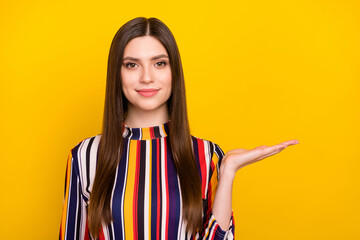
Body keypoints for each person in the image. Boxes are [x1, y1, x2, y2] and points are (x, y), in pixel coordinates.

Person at [59, 17, 299, 240]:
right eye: (132, 65)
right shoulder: (84, 157)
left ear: (174, 71)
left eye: (159, 63)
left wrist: (227, 173)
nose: (146, 77)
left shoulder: (207, 156)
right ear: (117, 73)